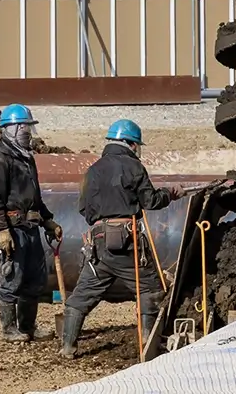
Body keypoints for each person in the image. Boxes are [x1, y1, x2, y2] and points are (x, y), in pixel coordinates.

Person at [60, 119, 180, 359]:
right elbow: (151, 202)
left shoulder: (93, 170)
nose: (138, 150)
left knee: (83, 295)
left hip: (99, 245)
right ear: (130, 144)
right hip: (128, 243)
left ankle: (68, 346)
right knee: (150, 288)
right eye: (137, 145)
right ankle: (148, 342)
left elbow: (84, 209)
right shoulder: (134, 167)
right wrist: (171, 193)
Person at [0, 104, 62, 343]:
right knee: (11, 278)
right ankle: (9, 330)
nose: (26, 131)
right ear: (7, 128)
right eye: (21, 126)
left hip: (30, 228)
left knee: (34, 279)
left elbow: (34, 197)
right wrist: (1, 230)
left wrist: (48, 221)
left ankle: (27, 326)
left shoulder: (26, 158)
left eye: (28, 126)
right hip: (11, 228)